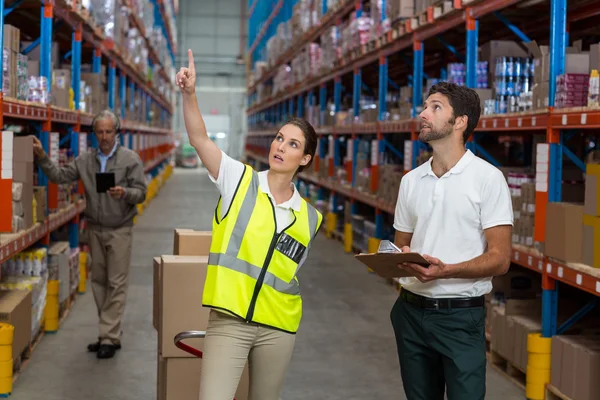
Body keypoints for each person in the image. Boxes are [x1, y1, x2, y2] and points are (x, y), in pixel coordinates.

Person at [177, 50, 322, 400]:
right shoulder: (238, 181)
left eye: (292, 144)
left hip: (279, 327)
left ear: (304, 159)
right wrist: (189, 94)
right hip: (230, 322)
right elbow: (200, 139)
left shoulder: (311, 217)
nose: (280, 147)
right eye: (278, 138)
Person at [390, 82, 513, 400]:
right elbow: (401, 243)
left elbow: (500, 258)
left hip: (461, 317)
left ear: (460, 122)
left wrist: (446, 270)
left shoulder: (487, 179)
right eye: (425, 106)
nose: (422, 114)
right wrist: (399, 257)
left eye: (435, 107)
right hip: (410, 313)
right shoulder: (411, 181)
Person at [31, 109, 147, 359]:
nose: (104, 137)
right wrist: (42, 156)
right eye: (100, 132)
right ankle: (109, 333)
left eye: (109, 132)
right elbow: (60, 176)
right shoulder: (85, 160)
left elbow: (141, 192)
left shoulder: (130, 160)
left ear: (116, 133)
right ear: (94, 134)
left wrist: (125, 193)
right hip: (95, 229)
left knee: (116, 284)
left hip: (120, 229)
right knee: (98, 282)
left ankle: (109, 336)